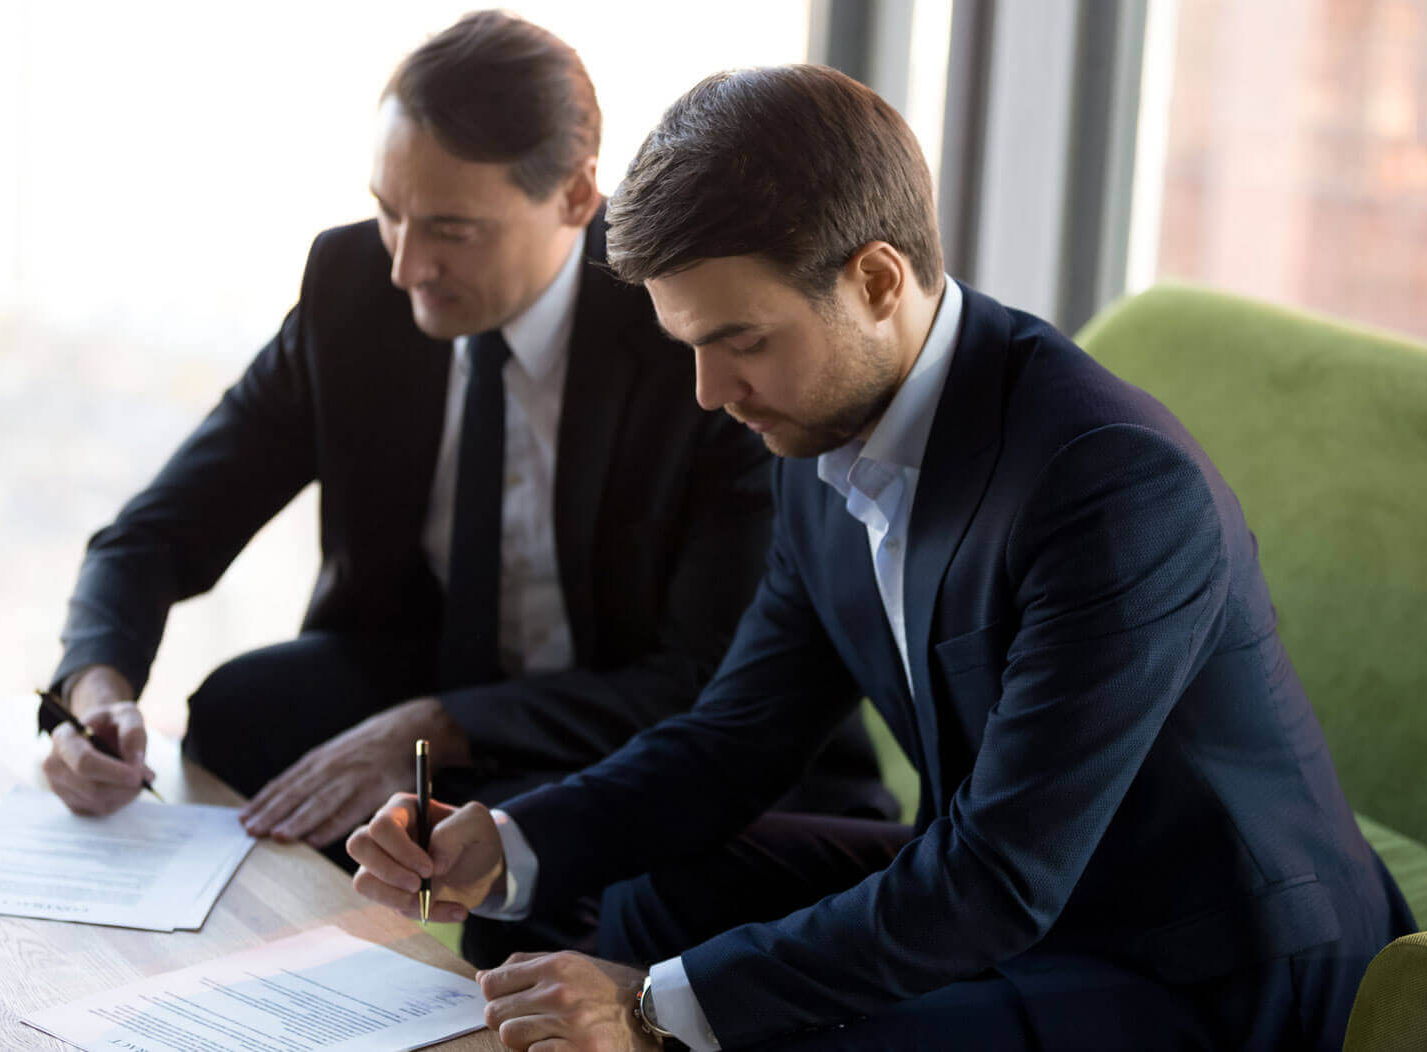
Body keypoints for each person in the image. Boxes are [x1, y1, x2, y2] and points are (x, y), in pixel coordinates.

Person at [346, 64, 1415, 1049]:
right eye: (692, 347)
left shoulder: (1112, 487)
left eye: (743, 341)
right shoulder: (813, 426)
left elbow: (995, 879)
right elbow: (735, 738)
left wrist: (648, 1003)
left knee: (745, 1021)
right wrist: (509, 842)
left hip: (1207, 958)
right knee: (646, 896)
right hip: (1017, 880)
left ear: (876, 278)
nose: (713, 395)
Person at [38, 15, 894, 951]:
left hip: (645, 718)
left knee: (515, 897)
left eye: (450, 230)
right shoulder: (354, 286)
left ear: (575, 197)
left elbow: (704, 682)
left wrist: (444, 724)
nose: (408, 263)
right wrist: (93, 694)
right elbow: (156, 532)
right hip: (448, 676)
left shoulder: (689, 328)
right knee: (238, 715)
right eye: (389, 212)